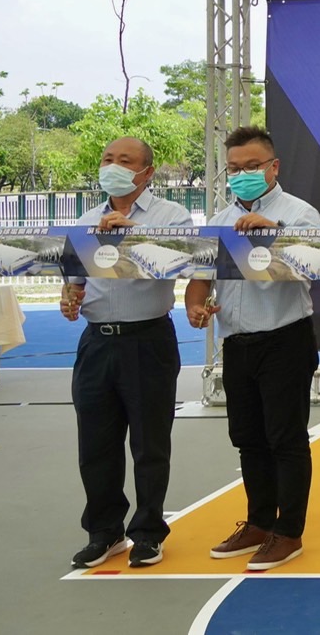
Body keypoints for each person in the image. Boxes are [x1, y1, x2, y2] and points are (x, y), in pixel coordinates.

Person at [186, 126, 320, 571]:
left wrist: (274, 232)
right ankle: (260, 522)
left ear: (273, 167)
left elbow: (312, 268)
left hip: (285, 338)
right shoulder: (219, 221)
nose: (243, 174)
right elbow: (201, 275)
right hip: (236, 341)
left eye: (252, 166)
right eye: (235, 168)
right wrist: (195, 304)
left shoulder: (300, 215)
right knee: (248, 439)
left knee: (286, 438)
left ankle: (289, 532)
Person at [62, 137, 193, 569]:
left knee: (150, 444)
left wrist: (128, 235)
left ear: (147, 173)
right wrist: (71, 295)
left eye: (125, 161)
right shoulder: (85, 219)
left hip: (147, 340)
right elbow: (75, 277)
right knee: (95, 443)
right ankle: (104, 531)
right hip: (97, 341)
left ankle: (149, 533)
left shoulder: (172, 216)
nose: (113, 166)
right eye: (107, 159)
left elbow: (179, 262)